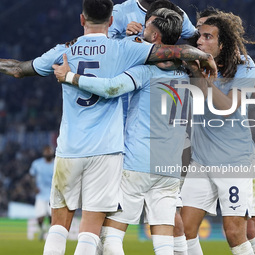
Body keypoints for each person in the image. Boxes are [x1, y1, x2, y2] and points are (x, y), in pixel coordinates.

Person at [0, 0, 216, 254]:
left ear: (81, 19)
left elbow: (19, 70)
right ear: (112, 21)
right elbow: (172, 52)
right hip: (110, 152)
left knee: (61, 227)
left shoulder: (65, 50)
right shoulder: (125, 49)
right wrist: (203, 56)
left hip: (72, 148)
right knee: (91, 232)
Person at [53, 8, 210, 255]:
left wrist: (71, 77)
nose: (141, 28)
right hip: (170, 166)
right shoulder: (187, 73)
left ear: (156, 37)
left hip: (138, 163)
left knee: (111, 236)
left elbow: (111, 88)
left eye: (147, 27)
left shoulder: (146, 71)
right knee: (164, 242)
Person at [180, 11, 255, 255]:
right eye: (198, 34)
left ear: (222, 42)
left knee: (237, 232)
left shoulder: (244, 65)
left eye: (207, 35)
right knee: (184, 230)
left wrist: (203, 79)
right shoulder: (193, 63)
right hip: (201, 162)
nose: (199, 40)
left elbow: (227, 108)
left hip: (234, 163)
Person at [108, 0, 197, 39]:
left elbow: (195, 38)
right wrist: (127, 40)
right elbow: (104, 46)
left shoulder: (175, 14)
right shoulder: (119, 12)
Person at [29, 145, 54, 240]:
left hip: (53, 195)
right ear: (43, 153)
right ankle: (42, 229)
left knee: (52, 217)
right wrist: (34, 187)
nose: (48, 153)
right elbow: (31, 176)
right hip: (41, 195)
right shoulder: (37, 164)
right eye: (46, 151)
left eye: (50, 151)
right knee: (40, 218)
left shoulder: (57, 163)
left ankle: (51, 233)